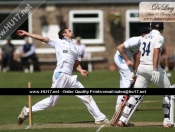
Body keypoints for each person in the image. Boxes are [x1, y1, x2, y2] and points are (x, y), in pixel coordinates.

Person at [16, 27, 108, 125]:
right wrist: (26, 33)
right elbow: (41, 38)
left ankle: (99, 117)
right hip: (60, 74)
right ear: (64, 34)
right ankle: (26, 111)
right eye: (69, 31)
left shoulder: (76, 48)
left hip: (70, 77)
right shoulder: (57, 42)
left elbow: (77, 64)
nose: (72, 31)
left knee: (86, 95)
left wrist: (81, 70)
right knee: (52, 102)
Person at [116, 22, 175, 128]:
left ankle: (122, 120)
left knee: (136, 95)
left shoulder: (144, 37)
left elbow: (138, 55)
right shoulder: (159, 37)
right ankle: (167, 120)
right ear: (162, 28)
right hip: (152, 68)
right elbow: (156, 53)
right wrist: (155, 69)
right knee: (169, 93)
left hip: (142, 69)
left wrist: (135, 71)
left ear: (150, 27)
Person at [114, 27, 150, 110]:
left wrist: (135, 67)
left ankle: (121, 105)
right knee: (128, 80)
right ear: (144, 34)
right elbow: (119, 48)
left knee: (126, 81)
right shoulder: (136, 40)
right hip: (120, 58)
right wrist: (127, 60)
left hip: (127, 60)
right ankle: (122, 106)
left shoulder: (143, 42)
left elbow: (135, 54)